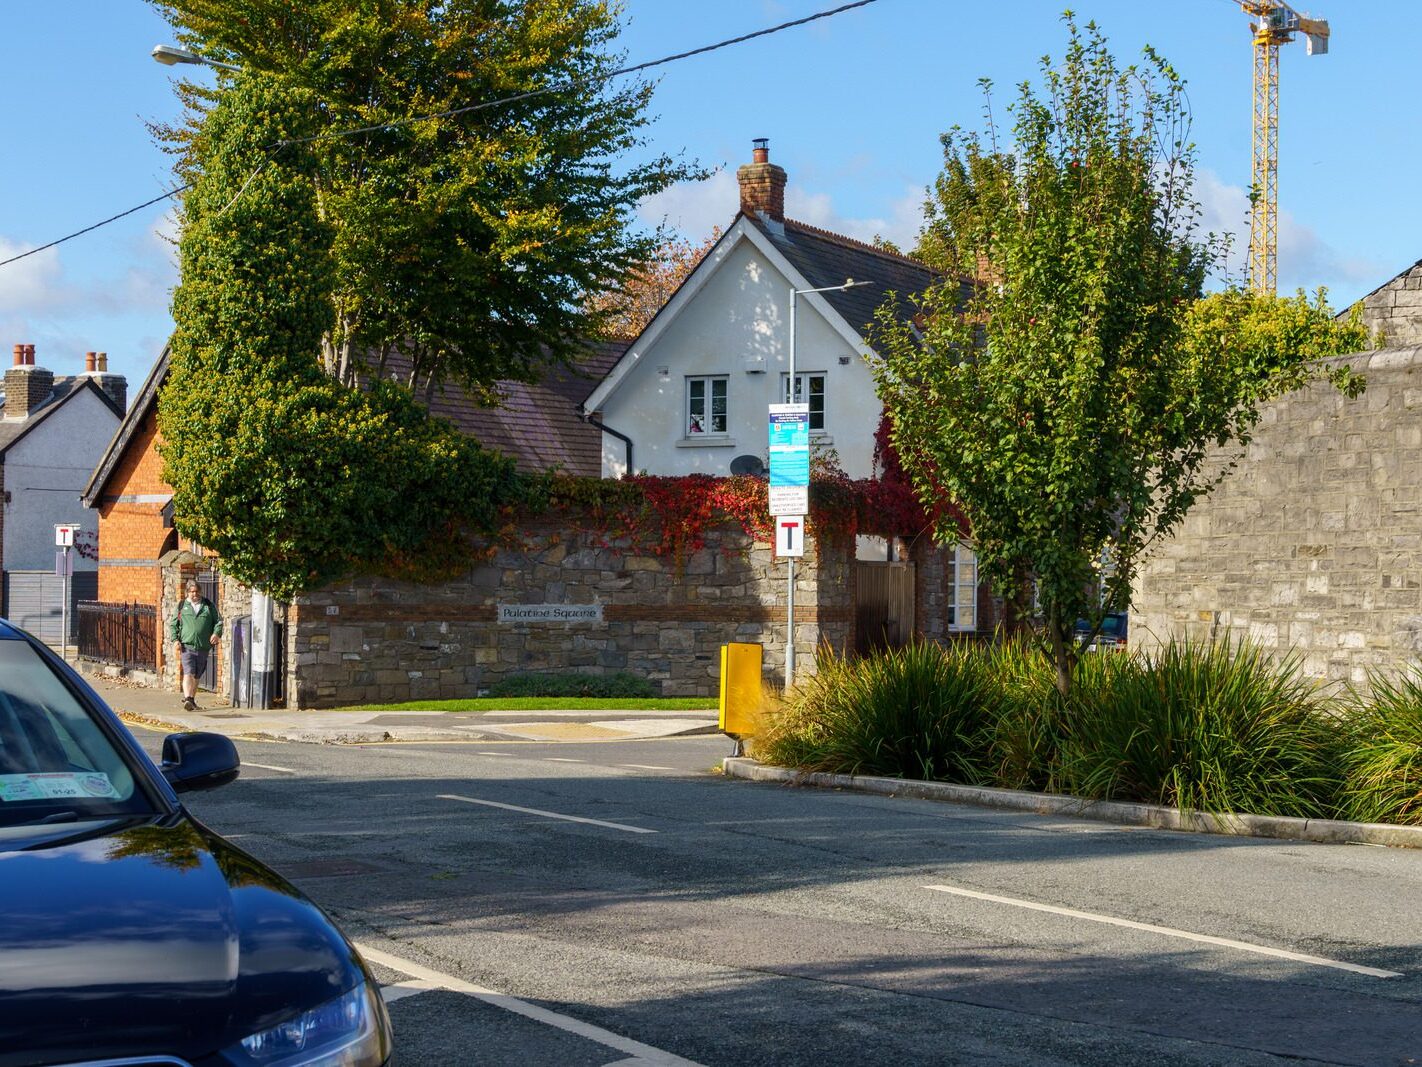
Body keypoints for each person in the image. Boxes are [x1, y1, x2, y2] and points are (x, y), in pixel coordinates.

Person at [170, 579, 222, 712]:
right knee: (189, 672)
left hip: (204, 646)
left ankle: (191, 700)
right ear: (187, 592)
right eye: (192, 592)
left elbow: (218, 622)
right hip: (187, 646)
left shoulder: (208, 605)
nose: (195, 594)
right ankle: (187, 698)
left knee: (197, 675)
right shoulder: (182, 605)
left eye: (197, 591)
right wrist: (175, 640)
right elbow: (173, 624)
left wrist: (216, 634)